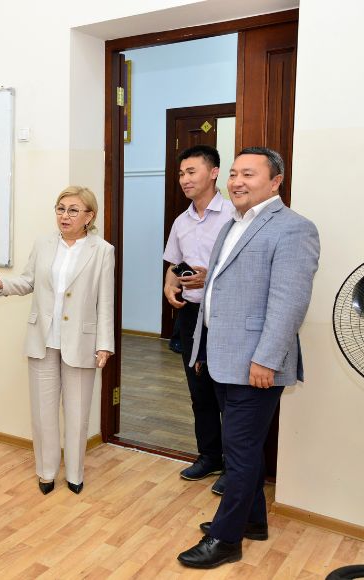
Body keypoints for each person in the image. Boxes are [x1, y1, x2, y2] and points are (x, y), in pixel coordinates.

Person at [177, 147, 320, 568]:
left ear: (275, 182)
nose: (237, 182)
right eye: (234, 173)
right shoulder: (232, 224)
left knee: (239, 453)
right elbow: (218, 290)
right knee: (244, 448)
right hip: (222, 357)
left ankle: (225, 540)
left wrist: (267, 360)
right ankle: (253, 521)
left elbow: (289, 302)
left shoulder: (294, 228)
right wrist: (201, 347)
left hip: (256, 364)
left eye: (249, 174)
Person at [0, 186, 114, 495]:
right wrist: (1, 284)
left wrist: (104, 344)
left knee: (77, 414)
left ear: (89, 216)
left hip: (81, 342)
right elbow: (27, 281)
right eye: (60, 208)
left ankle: (75, 474)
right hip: (42, 339)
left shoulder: (102, 250)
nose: (64, 216)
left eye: (73, 210)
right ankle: (46, 472)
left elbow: (105, 301)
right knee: (43, 413)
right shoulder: (43, 244)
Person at [163, 145, 233, 494]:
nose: (184, 179)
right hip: (192, 316)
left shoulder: (235, 215)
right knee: (199, 390)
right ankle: (209, 456)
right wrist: (169, 284)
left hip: (225, 315)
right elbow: (174, 264)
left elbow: (244, 270)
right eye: (181, 173)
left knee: (228, 394)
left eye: (191, 172)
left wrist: (211, 277)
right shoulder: (181, 221)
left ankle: (234, 468)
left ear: (214, 172)